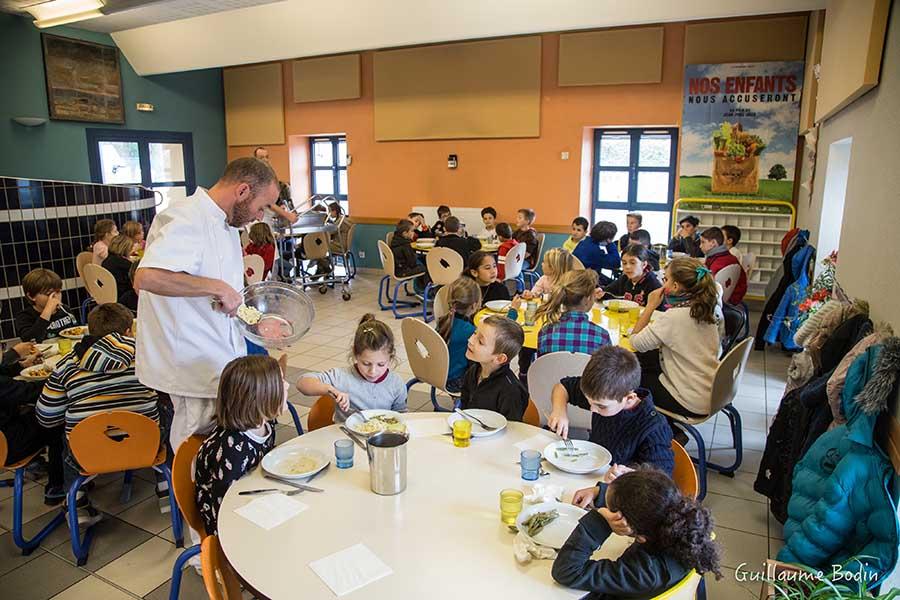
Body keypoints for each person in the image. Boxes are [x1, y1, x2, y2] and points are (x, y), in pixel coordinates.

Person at [134, 156, 279, 547]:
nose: (259, 216)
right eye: (261, 206)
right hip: (188, 359)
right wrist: (215, 286)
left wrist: (252, 320)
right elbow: (147, 277)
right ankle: (202, 543)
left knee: (219, 448)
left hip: (218, 354)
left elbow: (226, 297)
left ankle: (226, 524)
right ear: (243, 190)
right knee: (195, 446)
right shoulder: (185, 217)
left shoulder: (228, 226)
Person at [37, 303, 161, 524]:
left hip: (87, 452)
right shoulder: (147, 356)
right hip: (146, 445)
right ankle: (165, 484)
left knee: (67, 430)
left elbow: (46, 417)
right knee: (166, 411)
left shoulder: (65, 366)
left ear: (89, 332)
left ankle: (78, 500)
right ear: (128, 331)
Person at [552, 467, 722, 598]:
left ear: (639, 537)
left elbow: (566, 571)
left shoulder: (645, 573)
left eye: (612, 511)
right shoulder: (682, 525)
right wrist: (600, 492)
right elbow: (647, 499)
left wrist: (598, 521)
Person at [547, 346, 674, 483]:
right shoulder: (604, 394)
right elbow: (563, 387)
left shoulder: (654, 428)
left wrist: (630, 475)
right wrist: (559, 411)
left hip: (621, 490)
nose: (593, 409)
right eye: (590, 402)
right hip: (592, 473)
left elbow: (661, 481)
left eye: (600, 406)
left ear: (629, 398)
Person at [195, 355, 284, 535]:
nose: (287, 386)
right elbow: (224, 509)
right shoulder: (230, 450)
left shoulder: (265, 424)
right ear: (260, 399)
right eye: (281, 383)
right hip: (229, 525)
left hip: (255, 496)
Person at [630, 257, 720, 420]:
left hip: (688, 401)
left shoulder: (674, 317)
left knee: (627, 375)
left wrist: (650, 306)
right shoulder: (706, 308)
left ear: (675, 286)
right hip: (710, 392)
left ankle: (658, 428)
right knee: (645, 360)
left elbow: (635, 342)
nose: (663, 284)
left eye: (665, 279)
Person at [296, 315, 407, 420]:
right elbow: (302, 383)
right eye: (366, 364)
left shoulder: (396, 383)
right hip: (346, 436)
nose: (373, 372)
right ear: (355, 354)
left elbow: (401, 416)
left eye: (381, 364)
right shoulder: (341, 377)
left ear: (390, 358)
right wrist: (330, 390)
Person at [0, 336, 64, 505]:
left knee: (33, 411)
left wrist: (19, 366)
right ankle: (58, 486)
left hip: (7, 431)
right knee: (55, 420)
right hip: (8, 445)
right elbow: (30, 391)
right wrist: (63, 377)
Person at [459, 315, 528, 421]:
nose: (470, 340)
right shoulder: (474, 370)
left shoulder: (510, 391)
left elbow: (513, 428)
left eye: (480, 342)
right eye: (475, 333)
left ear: (500, 358)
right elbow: (464, 404)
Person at [536, 269, 610, 357]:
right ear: (587, 299)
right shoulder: (602, 336)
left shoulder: (545, 333)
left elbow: (542, 365)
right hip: (588, 371)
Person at [437, 277, 481, 393]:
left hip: (437, 375)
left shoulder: (443, 321)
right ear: (474, 305)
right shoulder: (470, 331)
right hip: (456, 381)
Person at [15, 268, 79, 342]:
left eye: (58, 292)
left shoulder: (65, 310)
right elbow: (31, 339)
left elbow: (77, 331)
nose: (55, 297)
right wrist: (48, 310)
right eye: (48, 294)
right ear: (31, 296)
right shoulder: (25, 316)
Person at [699, 227, 747, 304]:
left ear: (713, 243)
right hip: (733, 297)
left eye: (703, 242)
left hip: (723, 300)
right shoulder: (724, 256)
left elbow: (708, 286)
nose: (700, 246)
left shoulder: (718, 262)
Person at [574, 221, 620, 285]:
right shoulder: (596, 252)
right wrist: (610, 243)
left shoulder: (583, 242)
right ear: (608, 238)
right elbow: (616, 263)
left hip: (575, 278)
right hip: (586, 282)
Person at [102, 234, 139, 311]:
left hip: (107, 294)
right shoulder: (126, 265)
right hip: (122, 297)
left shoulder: (106, 261)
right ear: (125, 249)